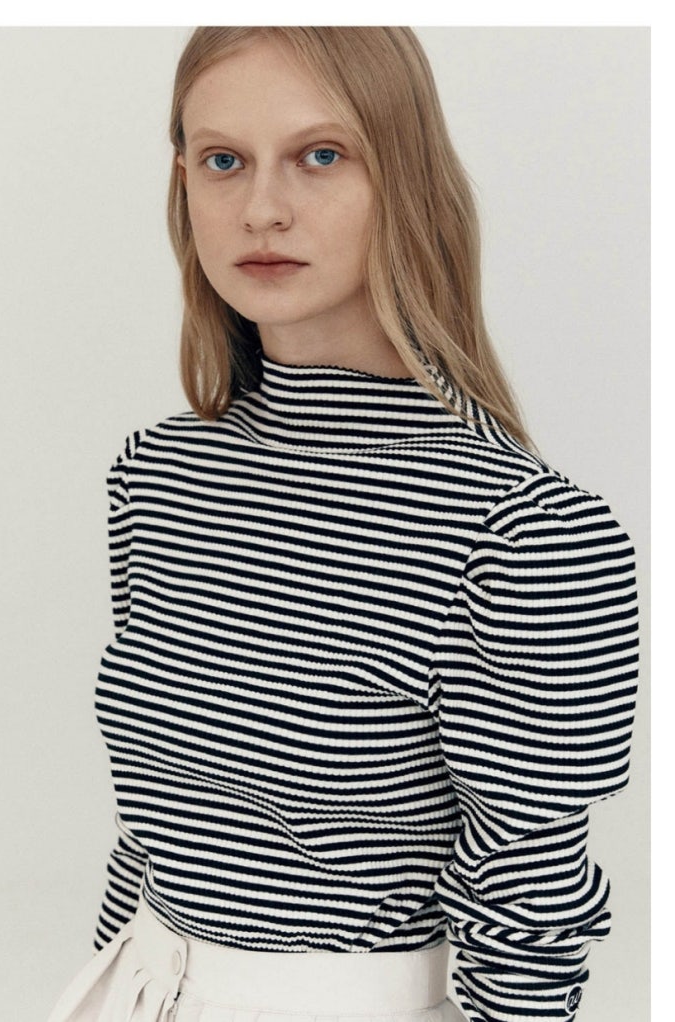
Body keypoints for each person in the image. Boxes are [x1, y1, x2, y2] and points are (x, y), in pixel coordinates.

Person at [47, 26, 638, 1022]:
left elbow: (528, 895)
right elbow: (152, 823)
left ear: (402, 175)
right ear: (182, 182)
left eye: (319, 155)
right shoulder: (157, 475)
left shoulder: (523, 530)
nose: (261, 208)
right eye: (222, 160)